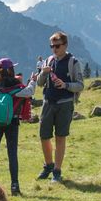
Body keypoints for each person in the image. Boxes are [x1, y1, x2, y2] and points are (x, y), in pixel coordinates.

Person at [35, 30, 84, 182]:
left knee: (60, 137)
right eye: (52, 46)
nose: (54, 49)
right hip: (48, 103)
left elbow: (80, 85)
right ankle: (49, 164)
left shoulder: (73, 62)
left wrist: (66, 85)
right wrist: (43, 73)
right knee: (44, 136)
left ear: (65, 45)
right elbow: (39, 83)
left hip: (65, 104)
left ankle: (57, 170)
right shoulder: (49, 61)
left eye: (57, 46)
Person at [0, 58, 28, 196]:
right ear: (11, 70)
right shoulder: (17, 85)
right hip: (12, 122)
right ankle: (14, 185)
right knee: (12, 153)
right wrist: (33, 81)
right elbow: (29, 92)